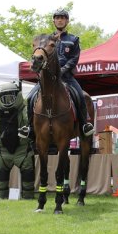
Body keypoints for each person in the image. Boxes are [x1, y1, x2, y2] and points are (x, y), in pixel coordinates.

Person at [31, 8, 94, 137]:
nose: (60, 20)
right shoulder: (46, 40)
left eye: (62, 18)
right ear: (54, 21)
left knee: (81, 97)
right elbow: (40, 54)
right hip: (48, 78)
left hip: (67, 78)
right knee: (29, 98)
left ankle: (84, 125)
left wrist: (62, 71)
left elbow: (74, 59)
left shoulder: (73, 39)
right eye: (57, 18)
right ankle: (29, 127)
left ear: (67, 21)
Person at [0, 82, 35, 200]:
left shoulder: (24, 109)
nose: (8, 101)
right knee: (1, 176)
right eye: (5, 98)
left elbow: (31, 126)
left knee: (28, 175)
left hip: (22, 150)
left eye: (11, 98)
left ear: (17, 96)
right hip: (4, 151)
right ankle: (2, 195)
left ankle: (28, 196)